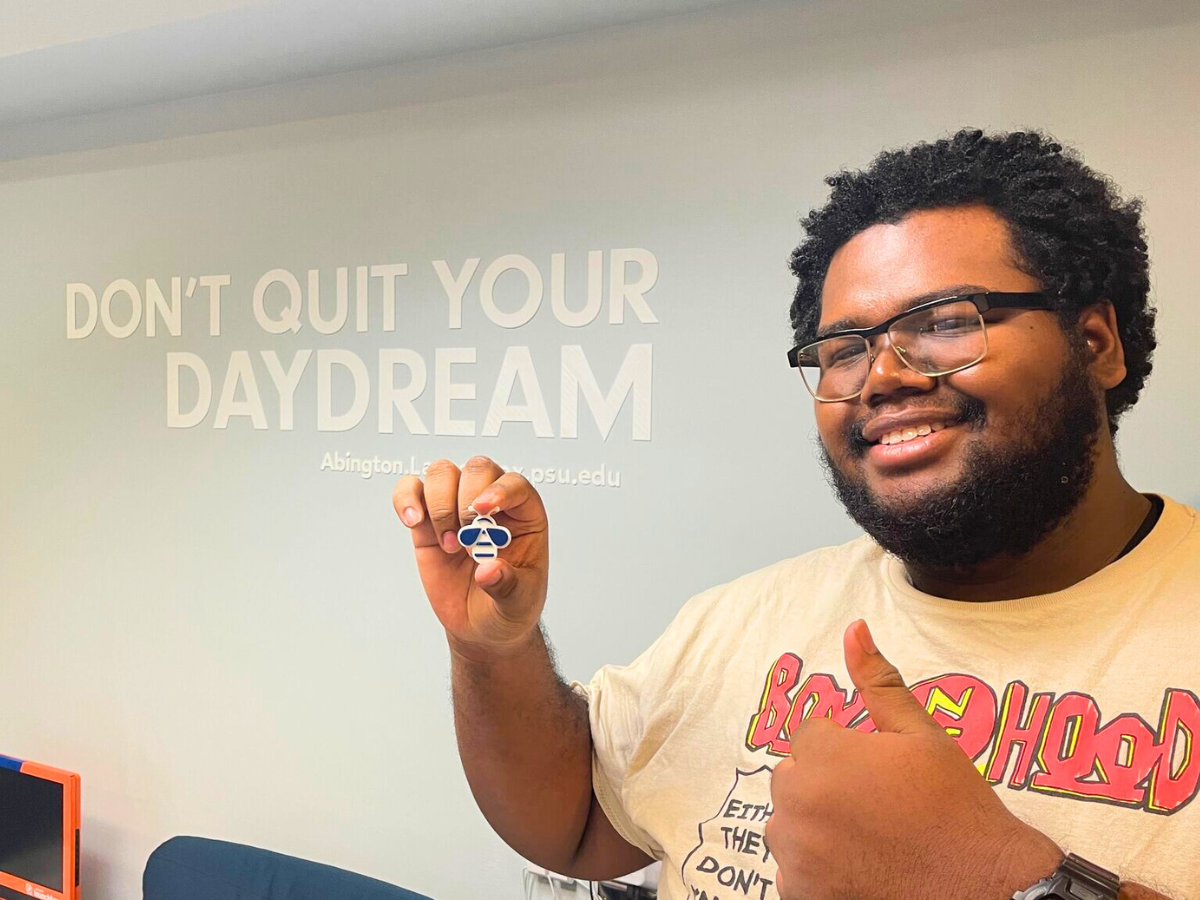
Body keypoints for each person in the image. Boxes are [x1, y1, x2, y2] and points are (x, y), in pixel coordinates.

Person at [392, 129, 1199, 900]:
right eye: (846, 348)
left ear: (1096, 342)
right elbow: (574, 822)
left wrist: (1005, 885)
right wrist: (492, 650)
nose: (882, 375)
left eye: (947, 322)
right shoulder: (741, 621)